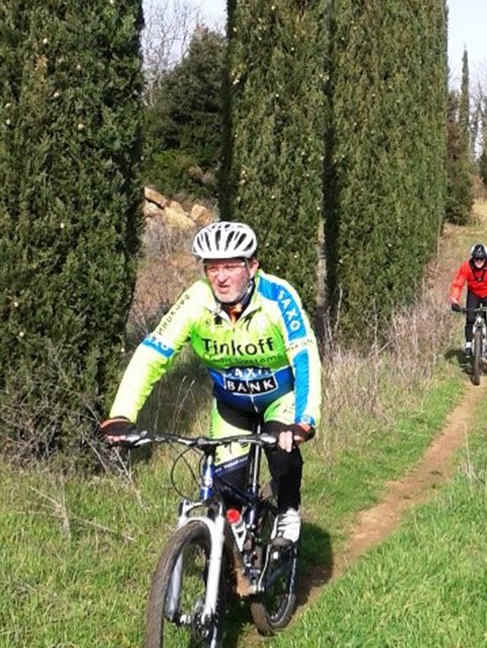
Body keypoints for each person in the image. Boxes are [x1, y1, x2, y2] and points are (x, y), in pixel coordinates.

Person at [100, 221, 321, 546]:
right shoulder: (196, 301)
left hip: (280, 398)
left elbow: (304, 356)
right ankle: (231, 564)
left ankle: (288, 510)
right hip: (232, 405)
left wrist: (305, 420)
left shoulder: (278, 297)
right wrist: (122, 414)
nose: (221, 277)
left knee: (282, 449)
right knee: (228, 491)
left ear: (253, 267)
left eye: (231, 266)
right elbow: (152, 353)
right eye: (212, 267)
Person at [450, 243, 487, 360]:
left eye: (481, 259)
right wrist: (454, 301)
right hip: (474, 294)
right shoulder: (466, 267)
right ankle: (468, 344)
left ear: (485, 258)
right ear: (472, 257)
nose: (478, 261)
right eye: (476, 258)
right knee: (470, 318)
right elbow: (458, 283)